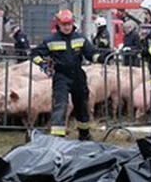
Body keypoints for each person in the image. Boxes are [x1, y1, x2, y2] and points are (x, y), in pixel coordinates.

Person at [31, 9, 106, 141]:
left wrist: (101, 57)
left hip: (78, 75)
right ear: (58, 24)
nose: (67, 27)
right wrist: (43, 64)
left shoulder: (80, 38)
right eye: (64, 24)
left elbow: (90, 54)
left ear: (73, 23)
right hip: (61, 76)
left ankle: (84, 135)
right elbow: (34, 54)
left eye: (69, 24)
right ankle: (57, 138)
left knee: (82, 105)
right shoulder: (51, 40)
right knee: (61, 105)